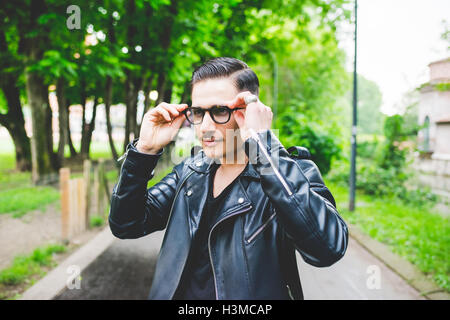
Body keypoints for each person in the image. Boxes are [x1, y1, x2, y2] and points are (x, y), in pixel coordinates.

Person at [109, 57, 348, 300]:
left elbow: (327, 248)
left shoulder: (289, 172)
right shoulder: (192, 171)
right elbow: (126, 224)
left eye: (220, 111)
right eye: (198, 112)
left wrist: (263, 144)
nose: (205, 127)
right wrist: (144, 152)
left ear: (248, 112)